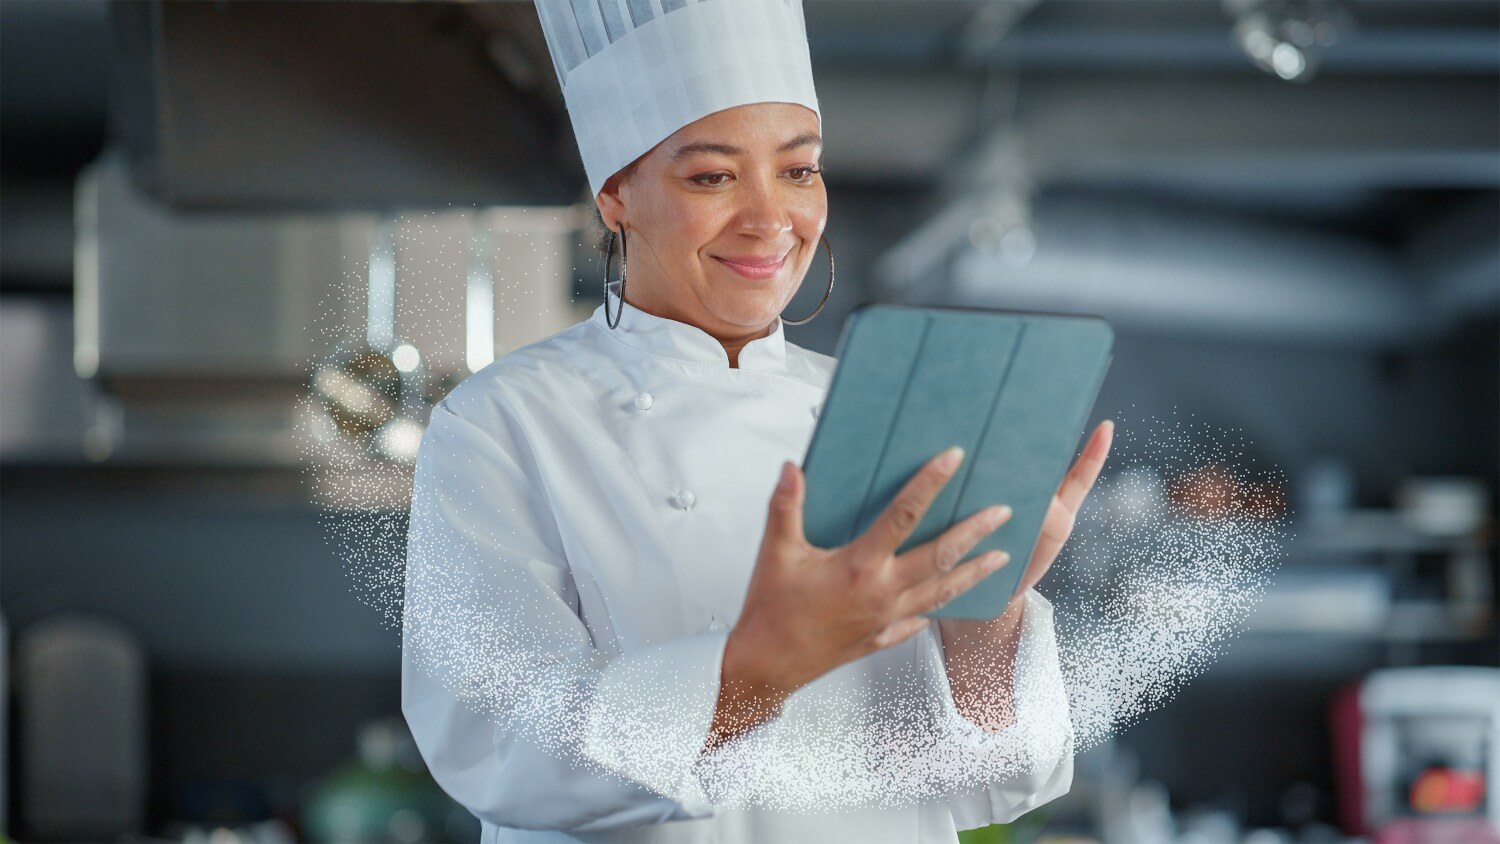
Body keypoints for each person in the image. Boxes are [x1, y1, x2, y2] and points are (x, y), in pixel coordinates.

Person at [401, 2, 1114, 841]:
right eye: (712, 176)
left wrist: (987, 606)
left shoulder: (883, 407)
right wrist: (760, 670)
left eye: (798, 171)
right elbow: (494, 745)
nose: (771, 218)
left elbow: (996, 788)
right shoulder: (500, 424)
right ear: (616, 194)